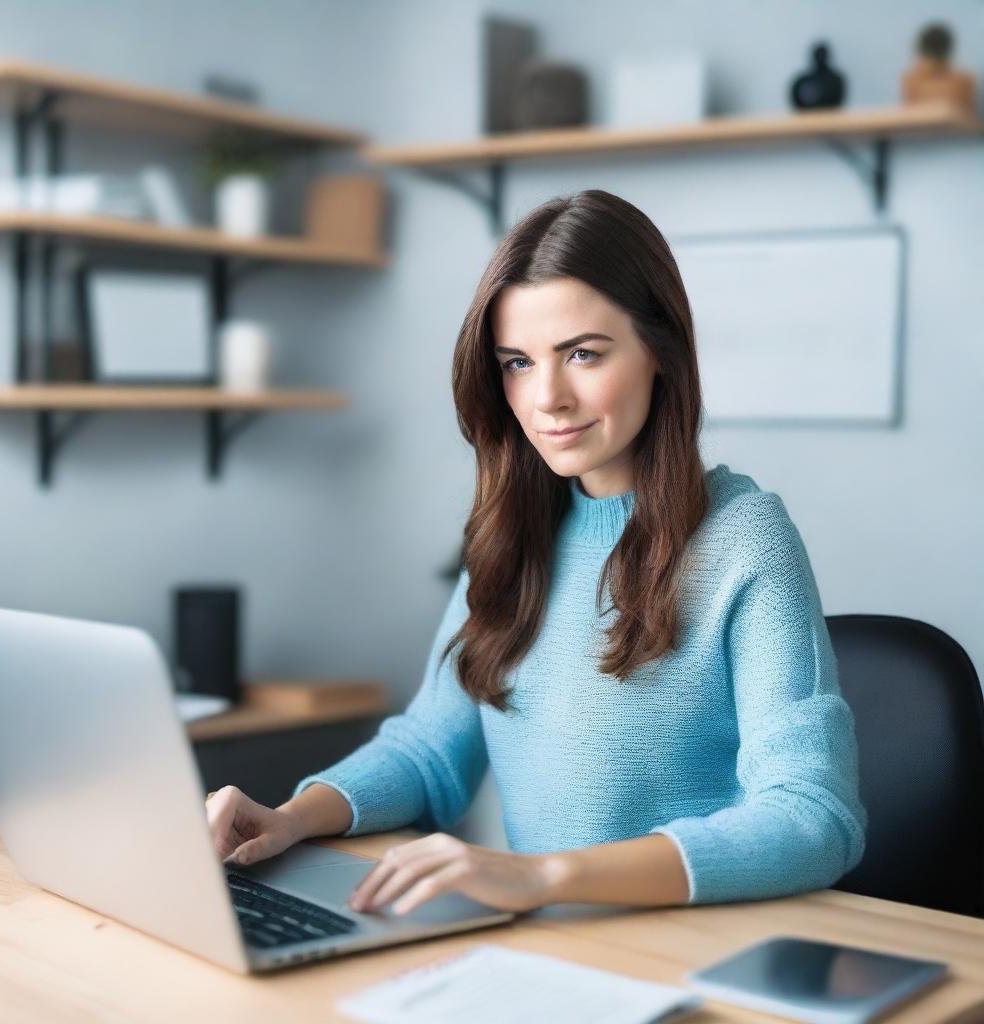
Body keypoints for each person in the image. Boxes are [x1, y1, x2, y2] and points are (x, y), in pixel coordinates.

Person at [207, 189, 866, 919]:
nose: (546, 397)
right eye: (517, 362)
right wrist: (294, 815)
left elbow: (813, 819)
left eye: (582, 354)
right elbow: (428, 750)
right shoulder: (513, 535)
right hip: (546, 949)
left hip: (692, 951)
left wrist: (548, 877)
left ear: (661, 350)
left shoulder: (746, 539)